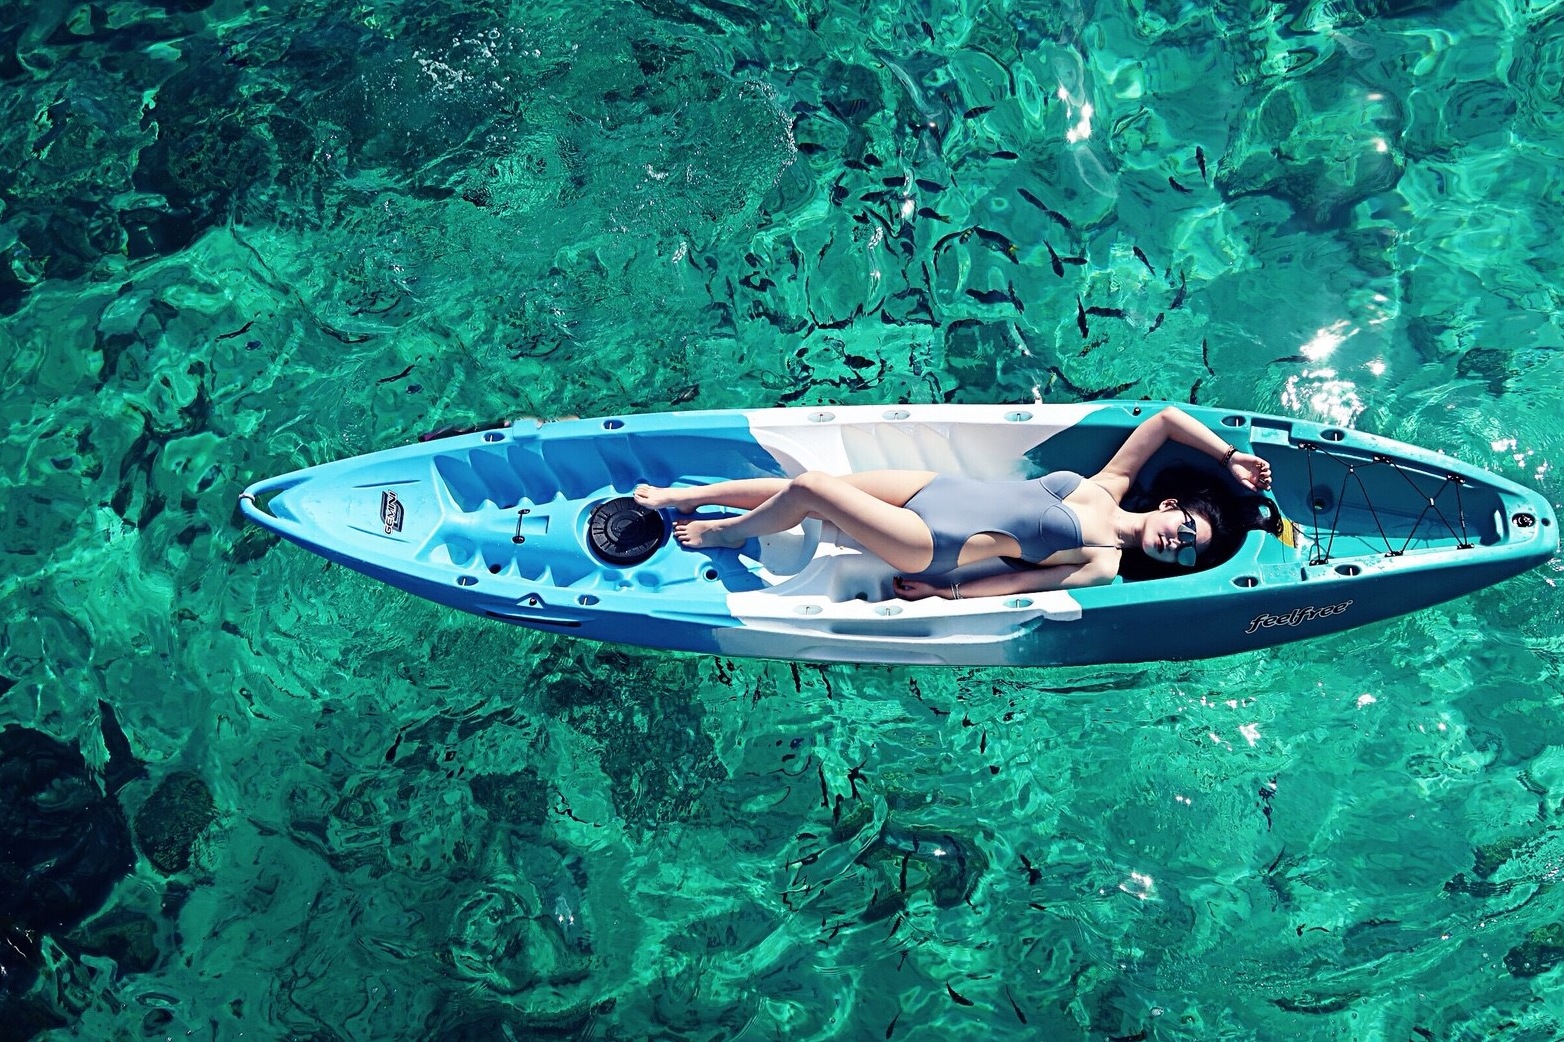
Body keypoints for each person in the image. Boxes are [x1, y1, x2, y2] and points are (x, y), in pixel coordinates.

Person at [633, 406, 1273, 600]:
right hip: (934, 489)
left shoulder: (1103, 563)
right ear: (1170, 504)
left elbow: (1019, 582)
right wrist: (1230, 458)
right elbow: (1163, 421)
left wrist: (946, 593)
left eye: (1185, 555)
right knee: (808, 486)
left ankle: (726, 533)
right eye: (1186, 528)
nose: (1177, 543)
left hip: (931, 544)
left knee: (812, 491)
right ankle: (687, 496)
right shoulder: (1109, 486)